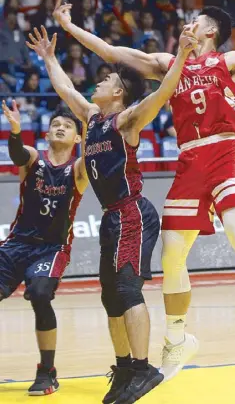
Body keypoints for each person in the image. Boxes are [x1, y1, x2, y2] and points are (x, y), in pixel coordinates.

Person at [53, 0, 235, 381]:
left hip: (224, 149)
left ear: (210, 33)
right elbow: (110, 51)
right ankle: (177, 337)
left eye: (194, 21)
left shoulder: (229, 60)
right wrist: (69, 27)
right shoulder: (167, 64)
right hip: (189, 160)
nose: (187, 25)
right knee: (172, 253)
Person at [26, 23, 197, 404]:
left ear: (118, 92)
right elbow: (65, 89)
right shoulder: (91, 118)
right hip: (111, 217)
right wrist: (51, 58)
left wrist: (183, 55)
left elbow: (163, 92)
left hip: (132, 212)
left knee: (126, 290)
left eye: (106, 79)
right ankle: (123, 367)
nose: (98, 83)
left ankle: (142, 367)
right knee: (110, 299)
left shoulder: (127, 120)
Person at [0, 101, 88, 395]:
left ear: (77, 138)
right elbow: (17, 154)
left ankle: (47, 371)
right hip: (17, 244)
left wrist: (90, 127)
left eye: (67, 126)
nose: (60, 127)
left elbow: (94, 160)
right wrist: (15, 131)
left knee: (39, 293)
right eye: (55, 125)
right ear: (46, 134)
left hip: (52, 248)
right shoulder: (34, 159)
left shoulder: (77, 169)